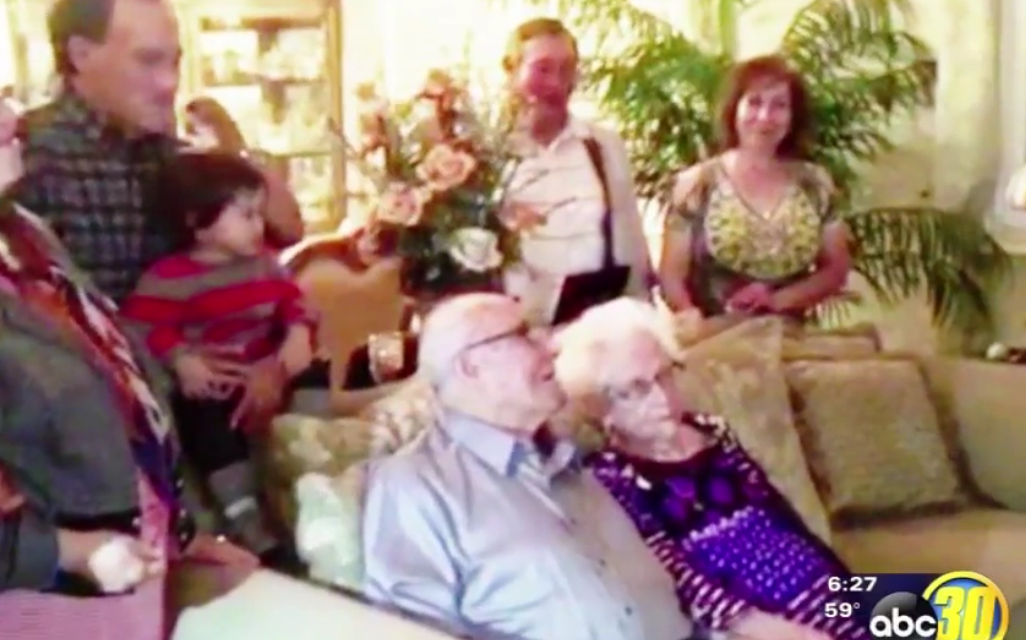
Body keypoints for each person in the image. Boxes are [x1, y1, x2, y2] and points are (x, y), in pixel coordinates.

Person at [0, 1, 254, 638]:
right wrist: (65, 552)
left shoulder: (19, 231)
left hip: (124, 571)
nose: (4, 112)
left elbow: (123, 388)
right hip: (33, 601)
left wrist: (182, 525)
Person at [361, 293, 697, 640]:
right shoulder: (417, 484)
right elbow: (407, 632)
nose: (552, 346)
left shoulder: (565, 457)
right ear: (471, 367)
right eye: (524, 334)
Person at [554, 298, 867, 640]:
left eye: (664, 375)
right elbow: (678, 577)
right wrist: (781, 632)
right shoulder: (612, 479)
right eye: (637, 389)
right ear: (601, 409)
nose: (662, 397)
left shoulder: (712, 430)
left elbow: (779, 515)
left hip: (821, 592)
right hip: (756, 623)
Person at [121, 149, 314, 568]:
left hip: (268, 366)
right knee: (205, 421)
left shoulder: (266, 266)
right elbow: (140, 325)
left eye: (259, 214)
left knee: (315, 368)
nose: (258, 226)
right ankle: (246, 517)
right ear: (197, 222)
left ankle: (313, 446)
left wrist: (297, 332)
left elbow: (295, 302)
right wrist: (180, 358)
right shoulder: (170, 277)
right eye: (245, 215)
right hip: (216, 382)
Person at [657, 55, 852, 331]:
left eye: (779, 105)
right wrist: (694, 322)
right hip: (711, 339)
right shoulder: (696, 184)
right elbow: (671, 278)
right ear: (733, 109)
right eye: (754, 102)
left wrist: (776, 301)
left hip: (792, 338)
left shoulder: (816, 183)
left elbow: (835, 271)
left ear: (793, 116)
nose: (765, 117)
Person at [14, 0, 184, 304]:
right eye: (147, 61)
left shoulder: (167, 153)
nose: (169, 83)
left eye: (175, 63)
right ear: (81, 54)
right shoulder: (29, 156)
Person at [499, 18, 653, 326]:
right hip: (514, 330)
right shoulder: (486, 157)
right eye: (542, 68)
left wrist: (642, 317)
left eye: (567, 68)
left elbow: (631, 242)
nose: (557, 83)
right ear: (511, 70)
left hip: (599, 327)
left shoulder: (603, 146)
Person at [183, 95, 305, 249]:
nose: (193, 139)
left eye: (198, 129)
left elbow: (291, 229)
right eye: (189, 131)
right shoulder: (193, 178)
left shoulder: (254, 171)